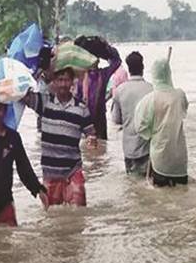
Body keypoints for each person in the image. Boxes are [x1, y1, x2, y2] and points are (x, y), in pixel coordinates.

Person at [23, 46, 98, 206]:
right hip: (50, 172)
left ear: (73, 82)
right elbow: (23, 95)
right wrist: (42, 70)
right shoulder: (44, 102)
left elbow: (91, 132)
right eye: (60, 80)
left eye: (67, 80)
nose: (63, 84)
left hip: (73, 170)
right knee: (52, 215)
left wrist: (92, 139)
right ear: (54, 82)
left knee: (79, 214)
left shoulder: (81, 108)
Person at [133, 58, 189, 186]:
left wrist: (153, 133)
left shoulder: (149, 100)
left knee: (161, 197)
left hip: (160, 157)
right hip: (179, 158)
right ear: (169, 74)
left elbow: (140, 126)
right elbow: (184, 110)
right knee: (181, 196)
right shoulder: (180, 95)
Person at [111, 51, 153, 176]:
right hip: (147, 147)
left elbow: (116, 119)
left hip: (128, 148)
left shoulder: (120, 90)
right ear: (143, 67)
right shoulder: (151, 89)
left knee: (131, 184)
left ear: (129, 69)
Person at [75, 36, 121, 140]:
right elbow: (117, 61)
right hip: (83, 120)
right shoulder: (79, 75)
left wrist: (106, 47)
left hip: (98, 120)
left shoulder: (101, 74)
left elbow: (117, 61)